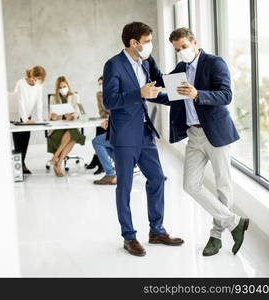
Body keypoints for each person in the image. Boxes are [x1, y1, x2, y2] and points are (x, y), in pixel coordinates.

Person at [149, 28, 249, 256]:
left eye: (184, 46)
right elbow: (170, 89)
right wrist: (150, 68)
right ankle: (235, 222)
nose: (181, 52)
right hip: (194, 136)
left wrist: (197, 94)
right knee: (190, 185)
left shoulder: (215, 63)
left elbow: (226, 95)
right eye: (177, 49)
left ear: (194, 42)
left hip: (216, 133)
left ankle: (216, 236)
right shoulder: (181, 69)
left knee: (223, 186)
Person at [102, 22, 184, 257]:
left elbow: (159, 85)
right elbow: (110, 101)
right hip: (125, 135)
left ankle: (157, 231)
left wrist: (184, 94)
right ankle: (129, 237)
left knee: (157, 178)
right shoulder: (113, 65)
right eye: (147, 42)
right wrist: (138, 93)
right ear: (133, 43)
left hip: (145, 132)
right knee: (125, 187)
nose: (150, 46)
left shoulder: (147, 61)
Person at [47, 76, 86, 177]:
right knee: (74, 136)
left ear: (68, 86)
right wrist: (54, 116)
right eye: (60, 87)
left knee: (73, 134)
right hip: (58, 128)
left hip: (71, 125)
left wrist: (72, 116)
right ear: (57, 89)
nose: (62, 89)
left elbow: (78, 112)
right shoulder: (53, 98)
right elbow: (51, 114)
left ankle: (57, 160)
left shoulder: (74, 96)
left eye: (64, 86)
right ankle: (58, 161)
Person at [12, 65, 46, 174]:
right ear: (31, 74)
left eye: (39, 79)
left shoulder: (39, 84)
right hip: (17, 116)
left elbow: (39, 101)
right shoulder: (20, 83)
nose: (36, 81)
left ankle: (22, 164)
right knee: (18, 143)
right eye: (35, 78)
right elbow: (19, 102)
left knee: (25, 141)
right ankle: (18, 168)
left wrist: (40, 119)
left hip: (28, 116)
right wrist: (25, 119)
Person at [86, 76, 109, 175]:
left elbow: (113, 110)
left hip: (115, 122)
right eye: (99, 84)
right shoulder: (99, 94)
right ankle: (98, 161)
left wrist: (109, 117)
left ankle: (98, 161)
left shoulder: (115, 93)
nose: (101, 86)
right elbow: (102, 111)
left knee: (101, 131)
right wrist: (107, 116)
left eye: (102, 84)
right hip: (107, 119)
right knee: (100, 127)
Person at [92, 119, 116, 185]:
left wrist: (110, 121)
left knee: (97, 141)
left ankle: (110, 174)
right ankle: (122, 170)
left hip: (122, 132)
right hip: (130, 131)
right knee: (104, 143)